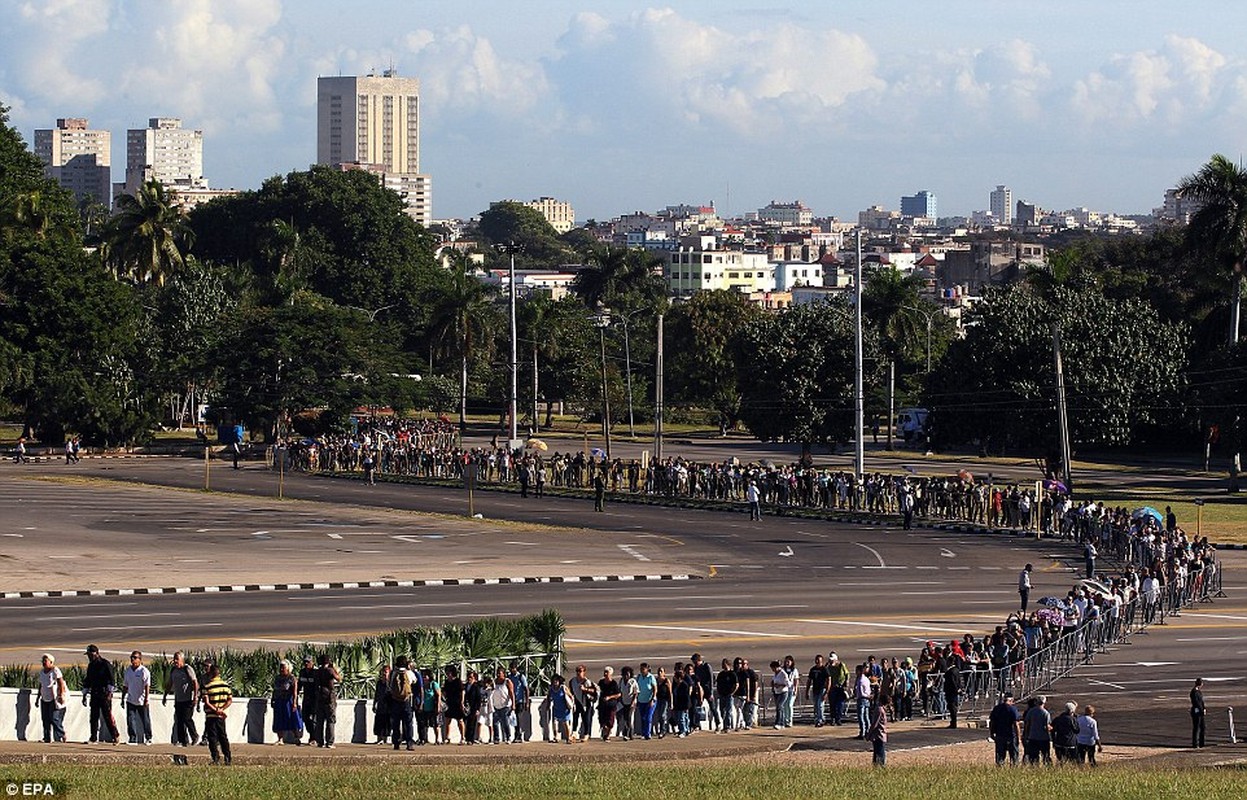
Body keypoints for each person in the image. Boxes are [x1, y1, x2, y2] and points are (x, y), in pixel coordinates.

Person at [82, 644, 119, 744]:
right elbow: (88, 680)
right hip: (94, 693)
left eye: (90, 654)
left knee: (107, 716)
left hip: (104, 693)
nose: (89, 657)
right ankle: (93, 738)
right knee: (93, 717)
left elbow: (111, 680)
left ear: (96, 653)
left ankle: (115, 736)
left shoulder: (105, 664)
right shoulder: (91, 666)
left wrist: (110, 693)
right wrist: (85, 694)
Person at [162, 651, 199, 747]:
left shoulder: (187, 669)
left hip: (188, 699)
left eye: (177, 659)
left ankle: (194, 736)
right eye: (174, 659)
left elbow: (195, 682)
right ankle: (183, 741)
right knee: (179, 720)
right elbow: (170, 683)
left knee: (187, 719)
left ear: (182, 660)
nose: (175, 661)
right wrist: (165, 695)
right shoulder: (174, 670)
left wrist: (195, 696)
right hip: (178, 699)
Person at [200, 660, 233, 765]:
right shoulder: (226, 686)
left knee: (212, 738)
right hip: (221, 716)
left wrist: (216, 710)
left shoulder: (207, 686)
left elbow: (206, 702)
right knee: (223, 736)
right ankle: (228, 757)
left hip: (211, 715)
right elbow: (229, 700)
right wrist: (222, 709)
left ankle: (216, 758)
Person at [122, 650, 153, 745]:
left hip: (142, 700)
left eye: (135, 657)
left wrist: (146, 699)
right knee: (131, 720)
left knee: (145, 720)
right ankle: (132, 738)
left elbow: (147, 686)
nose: (133, 659)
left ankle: (148, 738)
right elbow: (125, 686)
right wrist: (123, 698)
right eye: (132, 657)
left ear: (140, 659)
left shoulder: (144, 671)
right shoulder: (128, 671)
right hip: (131, 700)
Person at [36, 654, 68, 743]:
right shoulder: (42, 672)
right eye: (42, 661)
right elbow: (41, 685)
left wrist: (61, 695)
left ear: (51, 662)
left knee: (54, 718)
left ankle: (61, 734)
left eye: (45, 661)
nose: (43, 663)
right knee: (45, 719)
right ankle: (47, 737)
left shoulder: (55, 670)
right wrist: (38, 697)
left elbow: (61, 683)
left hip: (53, 699)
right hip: (44, 698)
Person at [313, 654, 341, 748]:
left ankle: (319, 741)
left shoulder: (317, 672)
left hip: (319, 696)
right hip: (329, 696)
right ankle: (329, 742)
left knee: (320, 721)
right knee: (330, 720)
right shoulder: (329, 670)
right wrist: (335, 669)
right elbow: (338, 678)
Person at [271, 659, 301, 745]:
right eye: (280, 668)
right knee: (279, 719)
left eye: (283, 668)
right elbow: (275, 690)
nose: (281, 670)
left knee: (291, 718)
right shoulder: (277, 678)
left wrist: (294, 703)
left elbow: (295, 692)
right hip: (279, 701)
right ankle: (280, 738)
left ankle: (296, 737)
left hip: (288, 701)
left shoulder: (292, 678)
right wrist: (273, 699)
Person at [988, 692, 1022, 766]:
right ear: (1011, 700)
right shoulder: (1013, 709)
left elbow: (992, 722)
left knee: (1000, 757)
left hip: (1000, 734)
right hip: (1011, 735)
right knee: (1014, 757)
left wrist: (991, 733)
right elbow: (1016, 724)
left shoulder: (997, 708)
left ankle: (999, 771)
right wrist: (1019, 737)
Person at [1022, 695, 1052, 764]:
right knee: (1046, 756)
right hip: (1044, 738)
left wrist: (1026, 735)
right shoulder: (1046, 713)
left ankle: (1034, 769)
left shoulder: (1031, 712)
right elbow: (1047, 726)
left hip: (1033, 737)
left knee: (1033, 757)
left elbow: (1027, 725)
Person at [490, 667, 516, 744]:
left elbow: (511, 693)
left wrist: (513, 704)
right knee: (495, 722)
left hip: (505, 705)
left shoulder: (507, 682)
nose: (498, 675)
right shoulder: (494, 682)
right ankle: (496, 738)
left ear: (503, 674)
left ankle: (508, 737)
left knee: (505, 722)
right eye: (497, 673)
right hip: (496, 705)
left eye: (500, 673)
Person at [442, 665, 467, 744]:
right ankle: (447, 737)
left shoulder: (458, 681)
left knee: (460, 721)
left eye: (449, 672)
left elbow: (462, 691)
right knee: (447, 720)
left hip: (457, 703)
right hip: (449, 703)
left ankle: (463, 737)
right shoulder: (446, 682)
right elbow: (444, 692)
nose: (447, 674)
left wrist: (462, 702)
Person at [298, 655, 319, 746]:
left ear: (312, 663)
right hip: (306, 699)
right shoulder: (302, 672)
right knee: (305, 718)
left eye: (308, 662)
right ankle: (312, 734)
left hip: (315, 699)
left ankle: (314, 737)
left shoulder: (316, 672)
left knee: (313, 718)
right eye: (305, 662)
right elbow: (299, 685)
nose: (306, 664)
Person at [596, 666, 621, 741]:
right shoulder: (601, 682)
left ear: (611, 674)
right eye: (605, 672)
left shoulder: (613, 683)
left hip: (611, 704)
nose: (605, 674)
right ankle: (605, 732)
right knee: (602, 719)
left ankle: (608, 735)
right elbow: (598, 690)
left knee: (610, 720)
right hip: (602, 704)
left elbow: (618, 694)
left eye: (607, 672)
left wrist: (609, 697)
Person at [548, 674, 574, 743]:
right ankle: (556, 737)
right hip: (556, 708)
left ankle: (568, 738)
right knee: (555, 723)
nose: (555, 683)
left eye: (556, 681)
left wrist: (572, 705)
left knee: (565, 723)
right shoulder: (551, 689)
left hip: (564, 709)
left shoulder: (563, 688)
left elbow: (571, 696)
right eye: (554, 681)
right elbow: (549, 697)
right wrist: (548, 705)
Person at [507, 662, 530, 743]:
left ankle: (518, 735)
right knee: (513, 718)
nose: (512, 670)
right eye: (511, 668)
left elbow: (526, 689)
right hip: (511, 701)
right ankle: (515, 734)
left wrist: (527, 701)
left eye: (514, 668)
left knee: (518, 717)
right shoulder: (509, 677)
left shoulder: (521, 677)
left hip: (520, 700)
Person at [634, 662, 657, 740]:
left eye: (643, 669)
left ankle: (648, 733)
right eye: (641, 668)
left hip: (649, 701)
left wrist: (653, 699)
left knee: (648, 717)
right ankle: (643, 733)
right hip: (641, 700)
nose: (641, 670)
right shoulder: (639, 677)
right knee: (643, 718)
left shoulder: (651, 677)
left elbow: (654, 689)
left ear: (647, 669)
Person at [374, 663, 395, 746]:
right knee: (379, 722)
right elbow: (376, 694)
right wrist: (374, 704)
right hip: (381, 706)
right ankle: (379, 738)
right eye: (383, 672)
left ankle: (386, 738)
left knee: (387, 723)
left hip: (388, 706)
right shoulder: (379, 683)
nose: (384, 674)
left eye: (386, 672)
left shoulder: (391, 683)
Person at [867, 685, 888, 767]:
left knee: (879, 751)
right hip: (880, 733)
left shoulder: (879, 709)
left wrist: (869, 733)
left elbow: (874, 723)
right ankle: (878, 765)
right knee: (878, 750)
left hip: (879, 734)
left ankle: (879, 765)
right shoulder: (881, 709)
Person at [417, 668, 439, 746]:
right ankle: (424, 739)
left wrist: (438, 706)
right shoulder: (422, 685)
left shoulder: (433, 684)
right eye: (423, 676)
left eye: (425, 676)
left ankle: (437, 739)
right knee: (424, 724)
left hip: (432, 707)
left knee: (435, 724)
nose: (424, 678)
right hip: (424, 707)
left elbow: (438, 695)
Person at [770, 660, 792, 730]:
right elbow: (774, 681)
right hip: (777, 692)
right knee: (779, 708)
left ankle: (778, 723)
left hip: (783, 692)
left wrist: (780, 685)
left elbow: (788, 684)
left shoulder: (783, 674)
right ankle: (782, 723)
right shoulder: (775, 674)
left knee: (779, 706)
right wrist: (773, 685)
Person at [1190, 677, 1206, 748]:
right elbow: (1196, 702)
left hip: (1201, 711)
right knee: (1196, 727)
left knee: (1203, 727)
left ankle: (1201, 743)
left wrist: (1204, 708)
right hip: (1196, 711)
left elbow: (1201, 701)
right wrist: (1201, 709)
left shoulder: (1199, 692)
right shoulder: (1194, 692)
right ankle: (1195, 743)